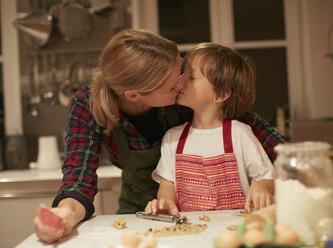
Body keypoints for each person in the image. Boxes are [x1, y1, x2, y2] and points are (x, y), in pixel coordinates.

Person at [33, 29, 286, 243]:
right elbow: (79, 178)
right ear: (134, 95)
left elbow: (277, 150)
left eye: (184, 71)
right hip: (139, 216)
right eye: (172, 83)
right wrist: (64, 215)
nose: (181, 83)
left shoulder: (189, 101)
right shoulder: (87, 106)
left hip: (206, 221)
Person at [145, 43, 274, 216]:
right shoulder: (172, 138)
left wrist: (261, 186)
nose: (180, 80)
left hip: (234, 230)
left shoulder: (239, 134)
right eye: (183, 72)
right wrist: (166, 203)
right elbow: (167, 185)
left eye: (191, 77)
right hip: (189, 232)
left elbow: (268, 175)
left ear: (220, 94)